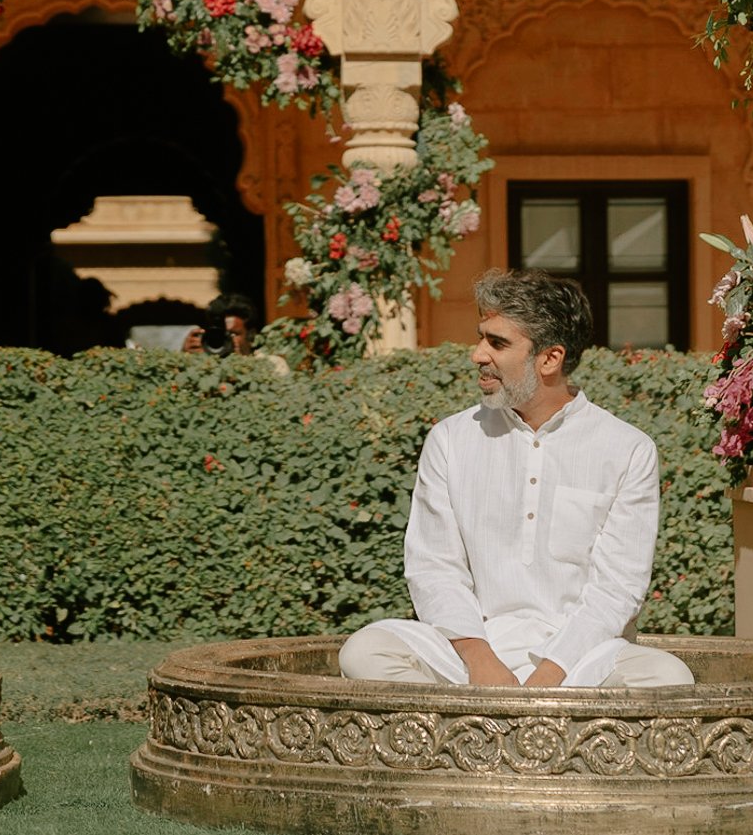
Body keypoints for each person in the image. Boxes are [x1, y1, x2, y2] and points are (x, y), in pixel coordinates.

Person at [338, 269, 693, 688]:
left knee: (668, 677)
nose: (477, 355)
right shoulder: (451, 439)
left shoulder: (627, 449)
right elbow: (434, 568)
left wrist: (548, 677)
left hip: (579, 663)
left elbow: (617, 589)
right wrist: (481, 661)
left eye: (497, 343)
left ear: (550, 359)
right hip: (470, 654)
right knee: (365, 651)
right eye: (481, 338)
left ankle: (480, 721)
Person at [181, 292, 259, 356]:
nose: (224, 340)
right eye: (218, 334)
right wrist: (186, 357)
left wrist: (239, 363)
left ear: (251, 335)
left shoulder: (263, 363)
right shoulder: (205, 363)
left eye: (232, 334)